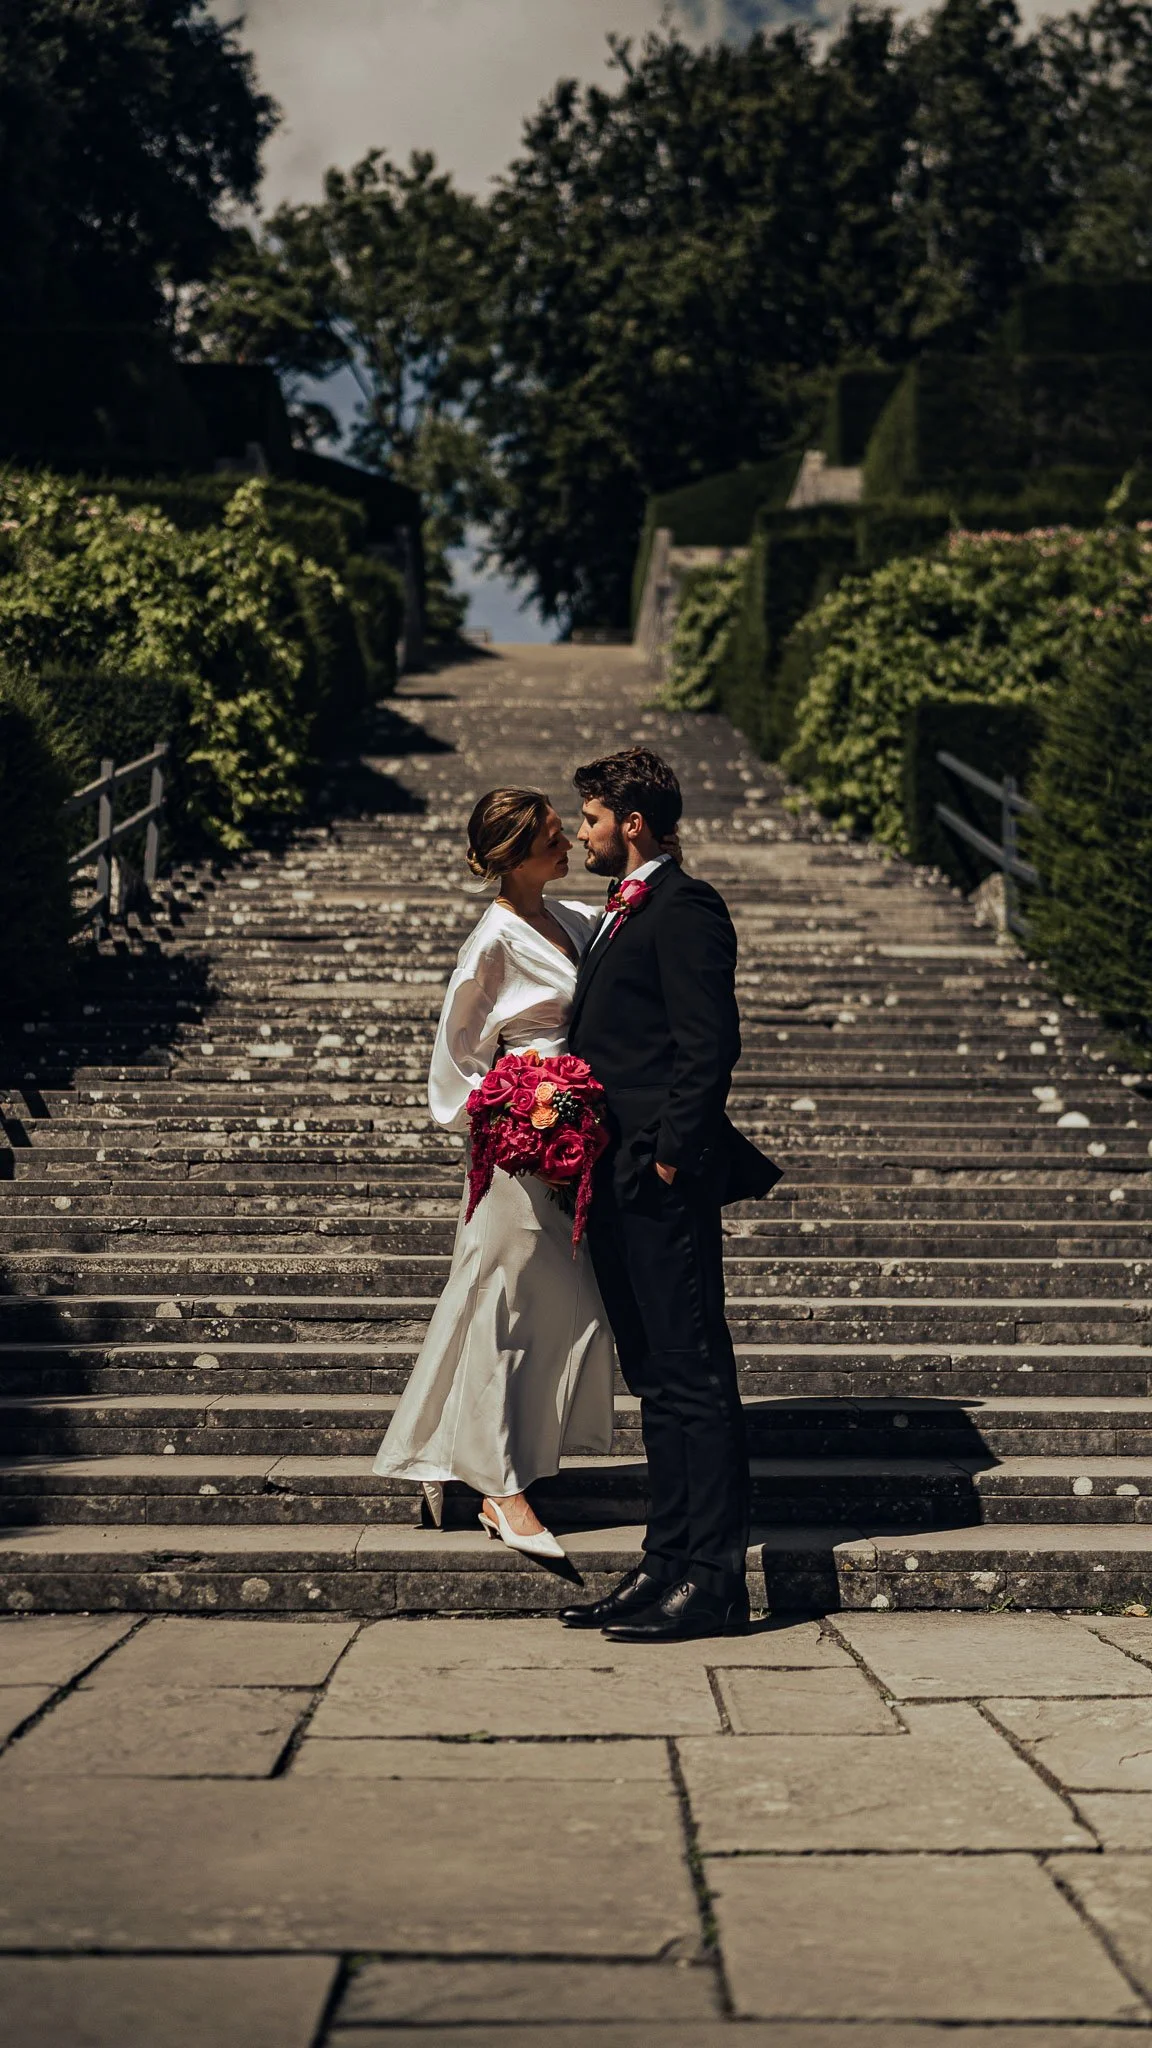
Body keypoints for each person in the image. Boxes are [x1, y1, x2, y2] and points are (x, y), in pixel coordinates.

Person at [558, 745, 781, 1642]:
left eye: (592, 819)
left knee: (693, 1375)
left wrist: (668, 1161)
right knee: (653, 1375)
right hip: (610, 1178)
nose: (582, 833)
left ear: (633, 823)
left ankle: (716, 1580)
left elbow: (707, 1046)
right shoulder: (620, 910)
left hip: (658, 1178)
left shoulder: (686, 906)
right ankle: (665, 1562)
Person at [373, 788, 615, 1560]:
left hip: (574, 1143)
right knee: (500, 1302)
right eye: (551, 838)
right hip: (519, 1153)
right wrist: (521, 1105)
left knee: (546, 1305)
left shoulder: (577, 921)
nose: (567, 845)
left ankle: (451, 1453)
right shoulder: (492, 942)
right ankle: (500, 1492)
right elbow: (458, 1063)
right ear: (512, 855)